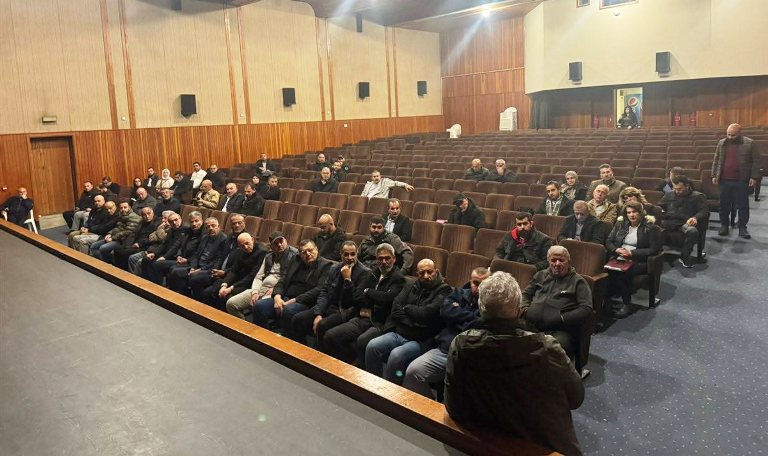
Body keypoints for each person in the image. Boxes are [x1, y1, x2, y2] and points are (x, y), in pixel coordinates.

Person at [444, 271, 584, 456]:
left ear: (481, 308)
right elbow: (576, 398)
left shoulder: (462, 344)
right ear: (518, 311)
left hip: (485, 443)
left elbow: (455, 407)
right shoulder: (546, 347)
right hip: (544, 446)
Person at [402, 267, 490, 399]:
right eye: (475, 283)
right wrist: (471, 318)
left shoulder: (491, 304)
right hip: (445, 350)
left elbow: (480, 324)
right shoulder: (459, 293)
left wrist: (457, 316)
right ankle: (431, 408)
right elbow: (445, 311)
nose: (479, 288)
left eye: (484, 284)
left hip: (468, 357)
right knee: (413, 372)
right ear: (470, 281)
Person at [365, 259, 452, 385]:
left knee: (396, 355)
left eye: (429, 272)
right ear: (417, 274)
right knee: (372, 346)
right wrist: (414, 322)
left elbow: (427, 313)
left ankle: (391, 392)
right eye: (422, 273)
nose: (426, 276)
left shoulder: (444, 290)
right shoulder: (411, 284)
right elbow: (396, 308)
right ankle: (373, 385)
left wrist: (408, 308)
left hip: (421, 340)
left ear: (436, 272)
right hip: (400, 333)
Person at [323, 243, 406, 365]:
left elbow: (387, 299)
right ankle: (342, 365)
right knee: (330, 336)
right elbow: (356, 297)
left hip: (379, 322)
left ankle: (355, 368)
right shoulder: (372, 273)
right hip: (361, 318)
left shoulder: (398, 278)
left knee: (361, 341)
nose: (384, 262)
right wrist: (374, 298)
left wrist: (368, 292)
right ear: (376, 259)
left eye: (387, 258)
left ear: (394, 259)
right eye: (380, 258)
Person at [290, 241, 375, 348]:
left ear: (357, 253)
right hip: (330, 306)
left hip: (346, 311)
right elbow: (325, 292)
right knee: (298, 319)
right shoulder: (335, 268)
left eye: (353, 254)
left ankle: (317, 353)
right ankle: (300, 350)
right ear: (341, 254)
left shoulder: (364, 272)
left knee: (322, 325)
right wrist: (318, 313)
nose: (350, 258)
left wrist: (347, 280)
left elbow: (356, 300)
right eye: (346, 254)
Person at [521, 245, 593, 361]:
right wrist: (525, 309)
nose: (557, 264)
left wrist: (562, 318)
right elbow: (525, 295)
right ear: (548, 261)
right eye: (553, 260)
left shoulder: (578, 281)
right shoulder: (540, 275)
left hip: (559, 329)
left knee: (550, 350)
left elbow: (586, 308)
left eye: (561, 260)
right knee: (511, 337)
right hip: (531, 324)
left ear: (568, 261)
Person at [251, 239, 332, 338]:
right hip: (285, 297)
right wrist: (277, 296)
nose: (308, 254)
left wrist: (294, 300)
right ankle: (264, 338)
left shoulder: (326, 265)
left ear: (316, 249)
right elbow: (283, 279)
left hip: (305, 302)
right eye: (304, 252)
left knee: (288, 310)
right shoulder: (295, 260)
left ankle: (286, 340)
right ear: (300, 254)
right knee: (259, 306)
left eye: (310, 250)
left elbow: (319, 289)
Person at [606, 201, 663, 318]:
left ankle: (627, 304)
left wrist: (632, 253)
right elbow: (609, 241)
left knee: (622, 273)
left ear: (641, 213)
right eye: (629, 212)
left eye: (634, 212)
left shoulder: (651, 228)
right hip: (619, 257)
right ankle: (607, 301)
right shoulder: (620, 224)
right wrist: (616, 249)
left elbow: (654, 249)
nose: (631, 215)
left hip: (640, 260)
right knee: (605, 270)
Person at [225, 231, 298, 320]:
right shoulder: (268, 256)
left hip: (275, 292)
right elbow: (259, 276)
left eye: (281, 241)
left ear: (285, 241)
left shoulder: (294, 256)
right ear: (271, 246)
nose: (279, 245)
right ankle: (243, 323)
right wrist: (255, 291)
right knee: (231, 304)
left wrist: (275, 289)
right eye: (275, 243)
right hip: (261, 288)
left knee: (258, 306)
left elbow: (288, 278)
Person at [712, 123, 761, 239]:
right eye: (728, 134)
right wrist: (714, 175)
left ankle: (742, 227)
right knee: (723, 205)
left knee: (743, 205)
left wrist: (754, 177)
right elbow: (716, 159)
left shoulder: (750, 143)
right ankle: (724, 225)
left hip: (741, 180)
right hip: (724, 180)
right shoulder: (722, 143)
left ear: (740, 133)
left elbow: (756, 162)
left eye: (733, 135)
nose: (730, 137)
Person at [189, 214, 247, 302]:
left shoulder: (245, 240)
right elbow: (221, 257)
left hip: (229, 275)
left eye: (240, 223)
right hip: (218, 271)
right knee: (194, 278)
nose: (237, 225)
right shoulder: (229, 237)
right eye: (234, 223)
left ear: (244, 223)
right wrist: (215, 269)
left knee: (204, 289)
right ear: (230, 225)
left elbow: (239, 265)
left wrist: (224, 272)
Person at [166, 217, 227, 295]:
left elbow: (217, 260)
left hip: (209, 269)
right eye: (208, 227)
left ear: (218, 226)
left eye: (213, 225)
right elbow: (196, 255)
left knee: (188, 275)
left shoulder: (223, 239)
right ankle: (178, 294)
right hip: (198, 266)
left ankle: (182, 295)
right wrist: (193, 267)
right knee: (175, 270)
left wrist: (200, 269)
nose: (210, 228)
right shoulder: (205, 237)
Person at [658, 175, 708, 268]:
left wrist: (695, 218)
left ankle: (684, 256)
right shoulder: (669, 194)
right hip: (669, 221)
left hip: (685, 223)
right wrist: (660, 210)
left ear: (687, 186)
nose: (677, 191)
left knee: (692, 232)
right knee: (652, 227)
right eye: (674, 188)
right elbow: (659, 206)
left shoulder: (697, 196)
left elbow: (704, 211)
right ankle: (656, 254)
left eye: (679, 189)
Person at [208, 232, 267, 310]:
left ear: (252, 240)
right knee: (213, 290)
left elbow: (252, 276)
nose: (245, 247)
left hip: (249, 284)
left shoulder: (262, 252)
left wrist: (231, 288)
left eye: (247, 243)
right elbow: (234, 270)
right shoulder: (240, 251)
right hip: (238, 281)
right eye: (242, 246)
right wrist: (224, 285)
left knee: (227, 297)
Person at [112, 207, 162, 271]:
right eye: (144, 215)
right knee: (117, 250)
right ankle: (118, 271)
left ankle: (124, 272)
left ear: (153, 213)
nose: (147, 216)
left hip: (145, 246)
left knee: (124, 254)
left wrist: (139, 244)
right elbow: (133, 234)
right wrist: (128, 245)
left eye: (149, 213)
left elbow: (152, 239)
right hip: (135, 244)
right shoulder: (142, 222)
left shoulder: (157, 223)